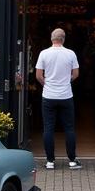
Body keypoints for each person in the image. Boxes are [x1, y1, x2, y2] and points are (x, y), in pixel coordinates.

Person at [35, 27, 80, 169]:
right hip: (66, 95)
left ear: (51, 38)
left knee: (48, 128)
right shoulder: (70, 54)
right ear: (63, 39)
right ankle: (72, 160)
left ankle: (50, 161)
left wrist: (46, 84)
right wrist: (66, 82)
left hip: (48, 95)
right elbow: (76, 74)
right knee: (69, 128)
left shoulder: (44, 53)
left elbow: (38, 75)